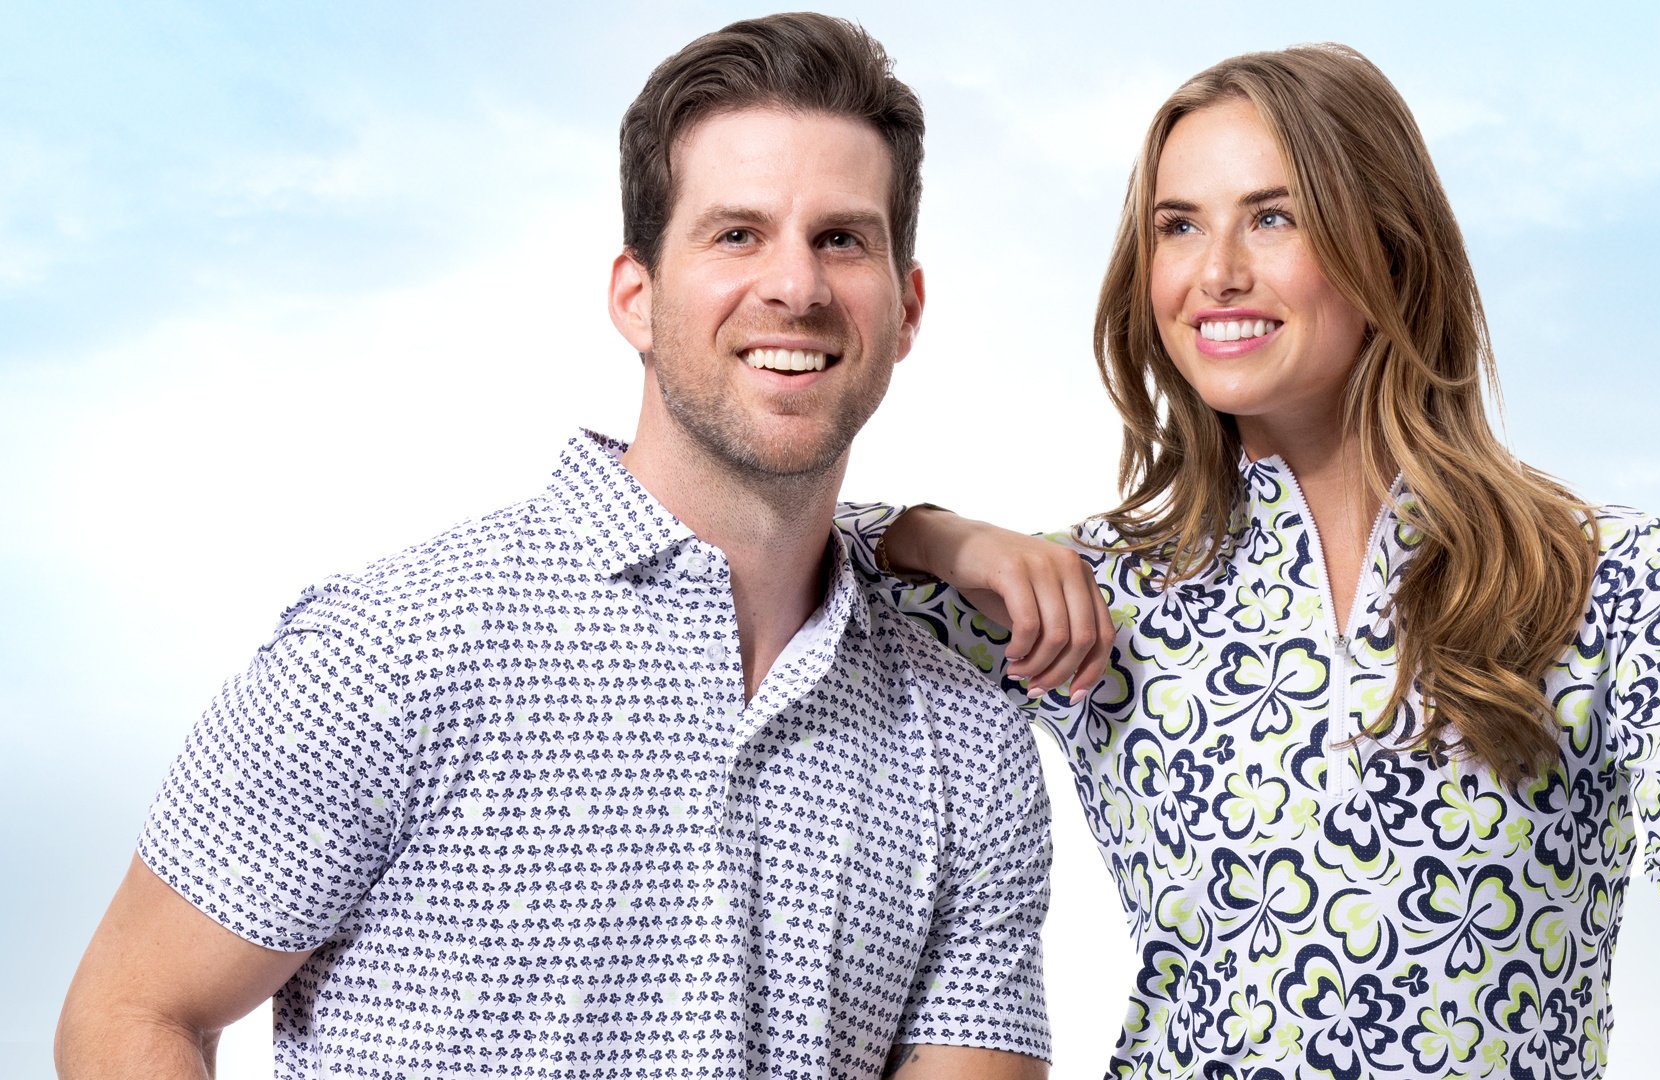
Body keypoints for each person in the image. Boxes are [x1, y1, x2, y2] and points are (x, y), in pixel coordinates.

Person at [54, 14, 1051, 1080]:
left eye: (841, 239)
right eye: (736, 235)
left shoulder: (969, 745)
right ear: (637, 296)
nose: (795, 288)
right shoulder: (390, 653)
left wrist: (927, 533)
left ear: (905, 308)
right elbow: (129, 1013)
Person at [839, 44, 1660, 1080]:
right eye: (1179, 225)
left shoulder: (1607, 575)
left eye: (1274, 217)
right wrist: (934, 530)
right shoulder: (1104, 591)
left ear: (1389, 247)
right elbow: (760, 537)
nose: (1217, 270)